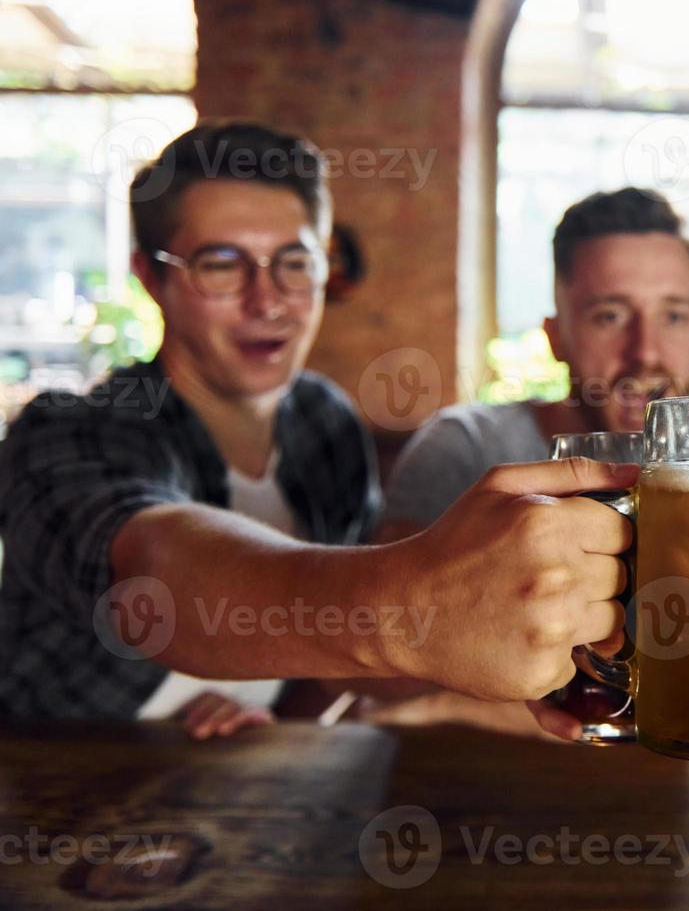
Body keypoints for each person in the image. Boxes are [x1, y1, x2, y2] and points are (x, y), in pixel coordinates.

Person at [0, 122, 631, 737]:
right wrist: (415, 609)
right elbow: (152, 568)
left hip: (248, 804)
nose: (268, 299)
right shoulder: (70, 431)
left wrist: (277, 728)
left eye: (294, 262)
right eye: (222, 264)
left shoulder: (322, 422)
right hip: (57, 811)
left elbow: (331, 672)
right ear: (151, 277)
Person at [379, 187, 689, 539]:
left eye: (673, 316)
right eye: (610, 316)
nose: (646, 351)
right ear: (556, 336)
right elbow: (389, 589)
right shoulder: (464, 450)